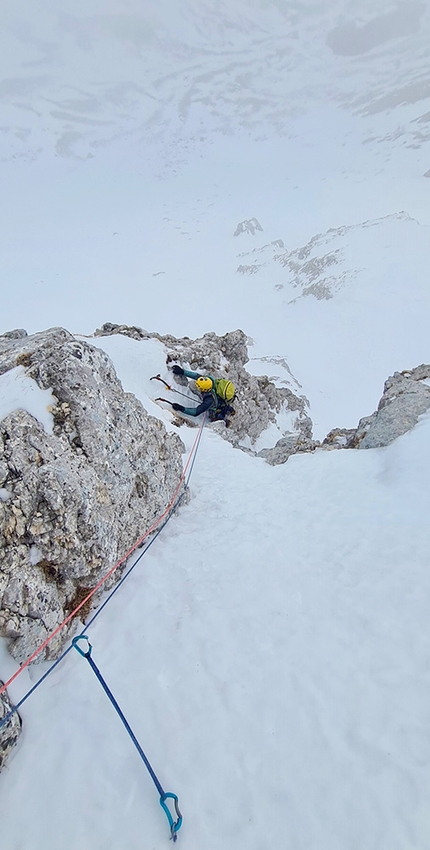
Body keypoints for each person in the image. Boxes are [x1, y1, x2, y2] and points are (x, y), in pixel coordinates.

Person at [169, 365, 236, 424]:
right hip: (220, 398)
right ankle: (230, 410)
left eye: (199, 388)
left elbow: (196, 412)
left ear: (205, 390)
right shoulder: (209, 380)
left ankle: (226, 421)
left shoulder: (209, 400)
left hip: (218, 403)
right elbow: (196, 376)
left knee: (217, 414)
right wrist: (182, 371)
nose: (198, 388)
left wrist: (182, 409)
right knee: (224, 405)